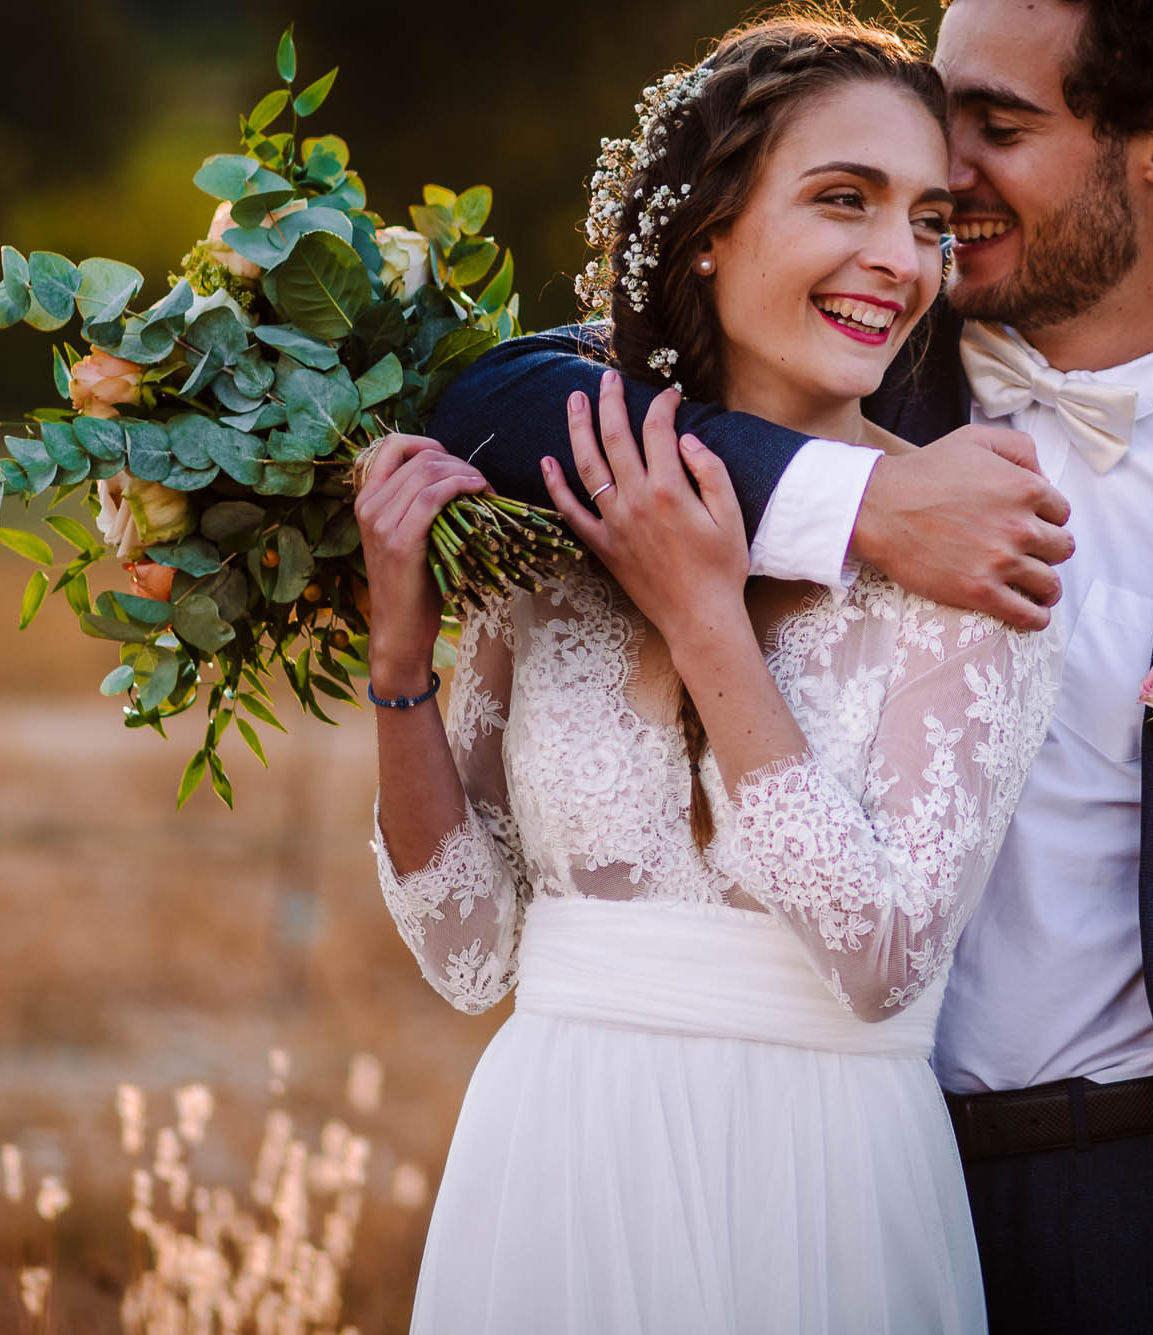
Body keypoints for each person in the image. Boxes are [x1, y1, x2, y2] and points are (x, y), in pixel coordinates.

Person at [424, 1, 1153, 1331]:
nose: (946, 170)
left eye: (998, 127)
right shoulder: (844, 345)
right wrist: (858, 502)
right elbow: (498, 401)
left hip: (1135, 1210)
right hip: (805, 1167)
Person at [355, 13, 1061, 1332]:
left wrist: (708, 629)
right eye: (843, 200)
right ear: (708, 236)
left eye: (926, 221)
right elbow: (467, 950)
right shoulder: (557, 533)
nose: (897, 259)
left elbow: (881, 961)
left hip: (817, 1190)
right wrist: (401, 666)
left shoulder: (966, 549)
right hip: (554, 1169)